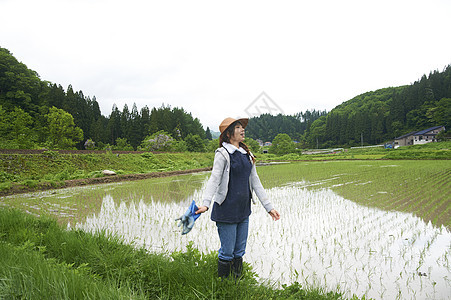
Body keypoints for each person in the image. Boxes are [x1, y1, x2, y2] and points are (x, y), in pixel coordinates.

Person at [195, 117, 280, 279]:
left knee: (239, 251)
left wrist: (269, 207)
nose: (243, 130)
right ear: (228, 134)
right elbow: (214, 179)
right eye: (238, 127)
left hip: (243, 210)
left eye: (242, 127)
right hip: (226, 210)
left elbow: (256, 182)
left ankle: (236, 284)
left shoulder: (247, 154)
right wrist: (206, 204)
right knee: (227, 251)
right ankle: (223, 287)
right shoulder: (223, 153)